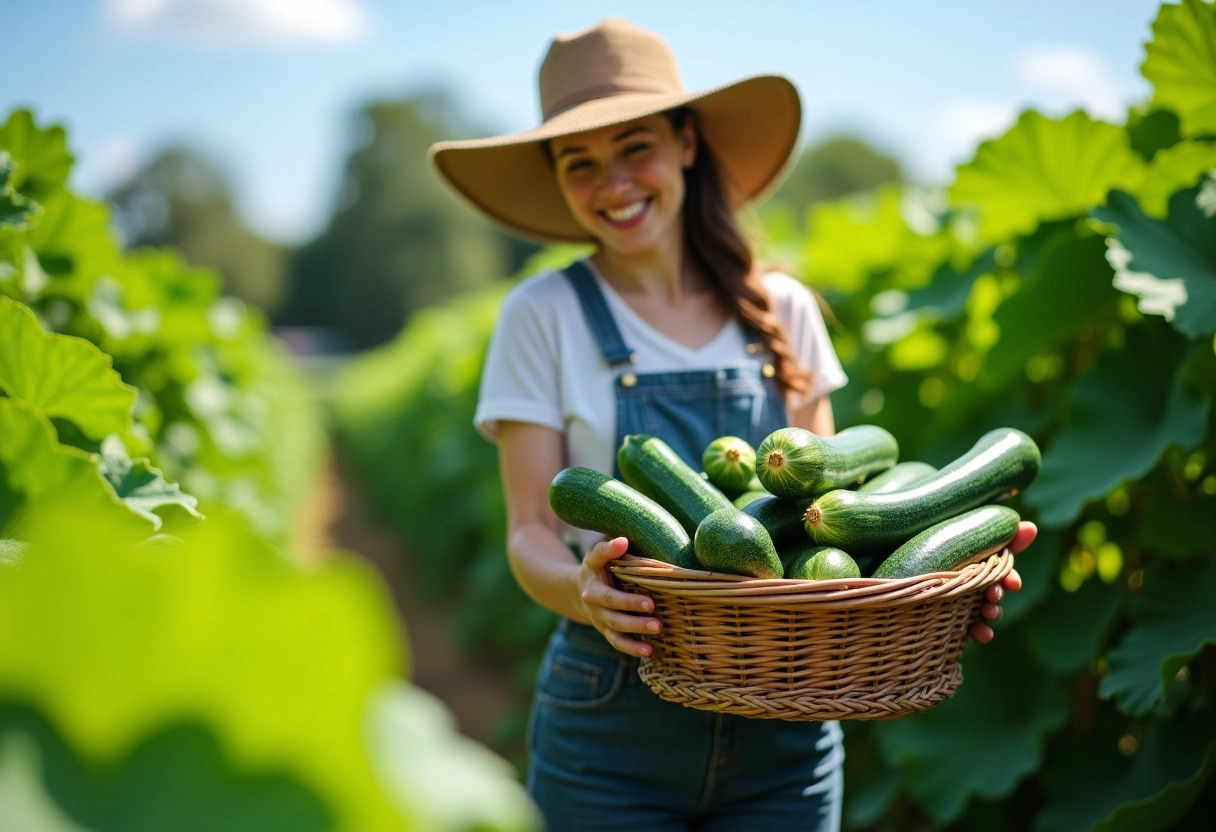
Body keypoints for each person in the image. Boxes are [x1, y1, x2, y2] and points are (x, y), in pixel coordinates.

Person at [429, 18, 1035, 831]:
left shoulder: (781, 310)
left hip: (789, 716)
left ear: (685, 143)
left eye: (633, 146)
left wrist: (930, 585)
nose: (612, 182)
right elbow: (532, 528)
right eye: (581, 163)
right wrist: (583, 593)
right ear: (561, 180)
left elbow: (829, 507)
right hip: (611, 713)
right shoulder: (541, 315)